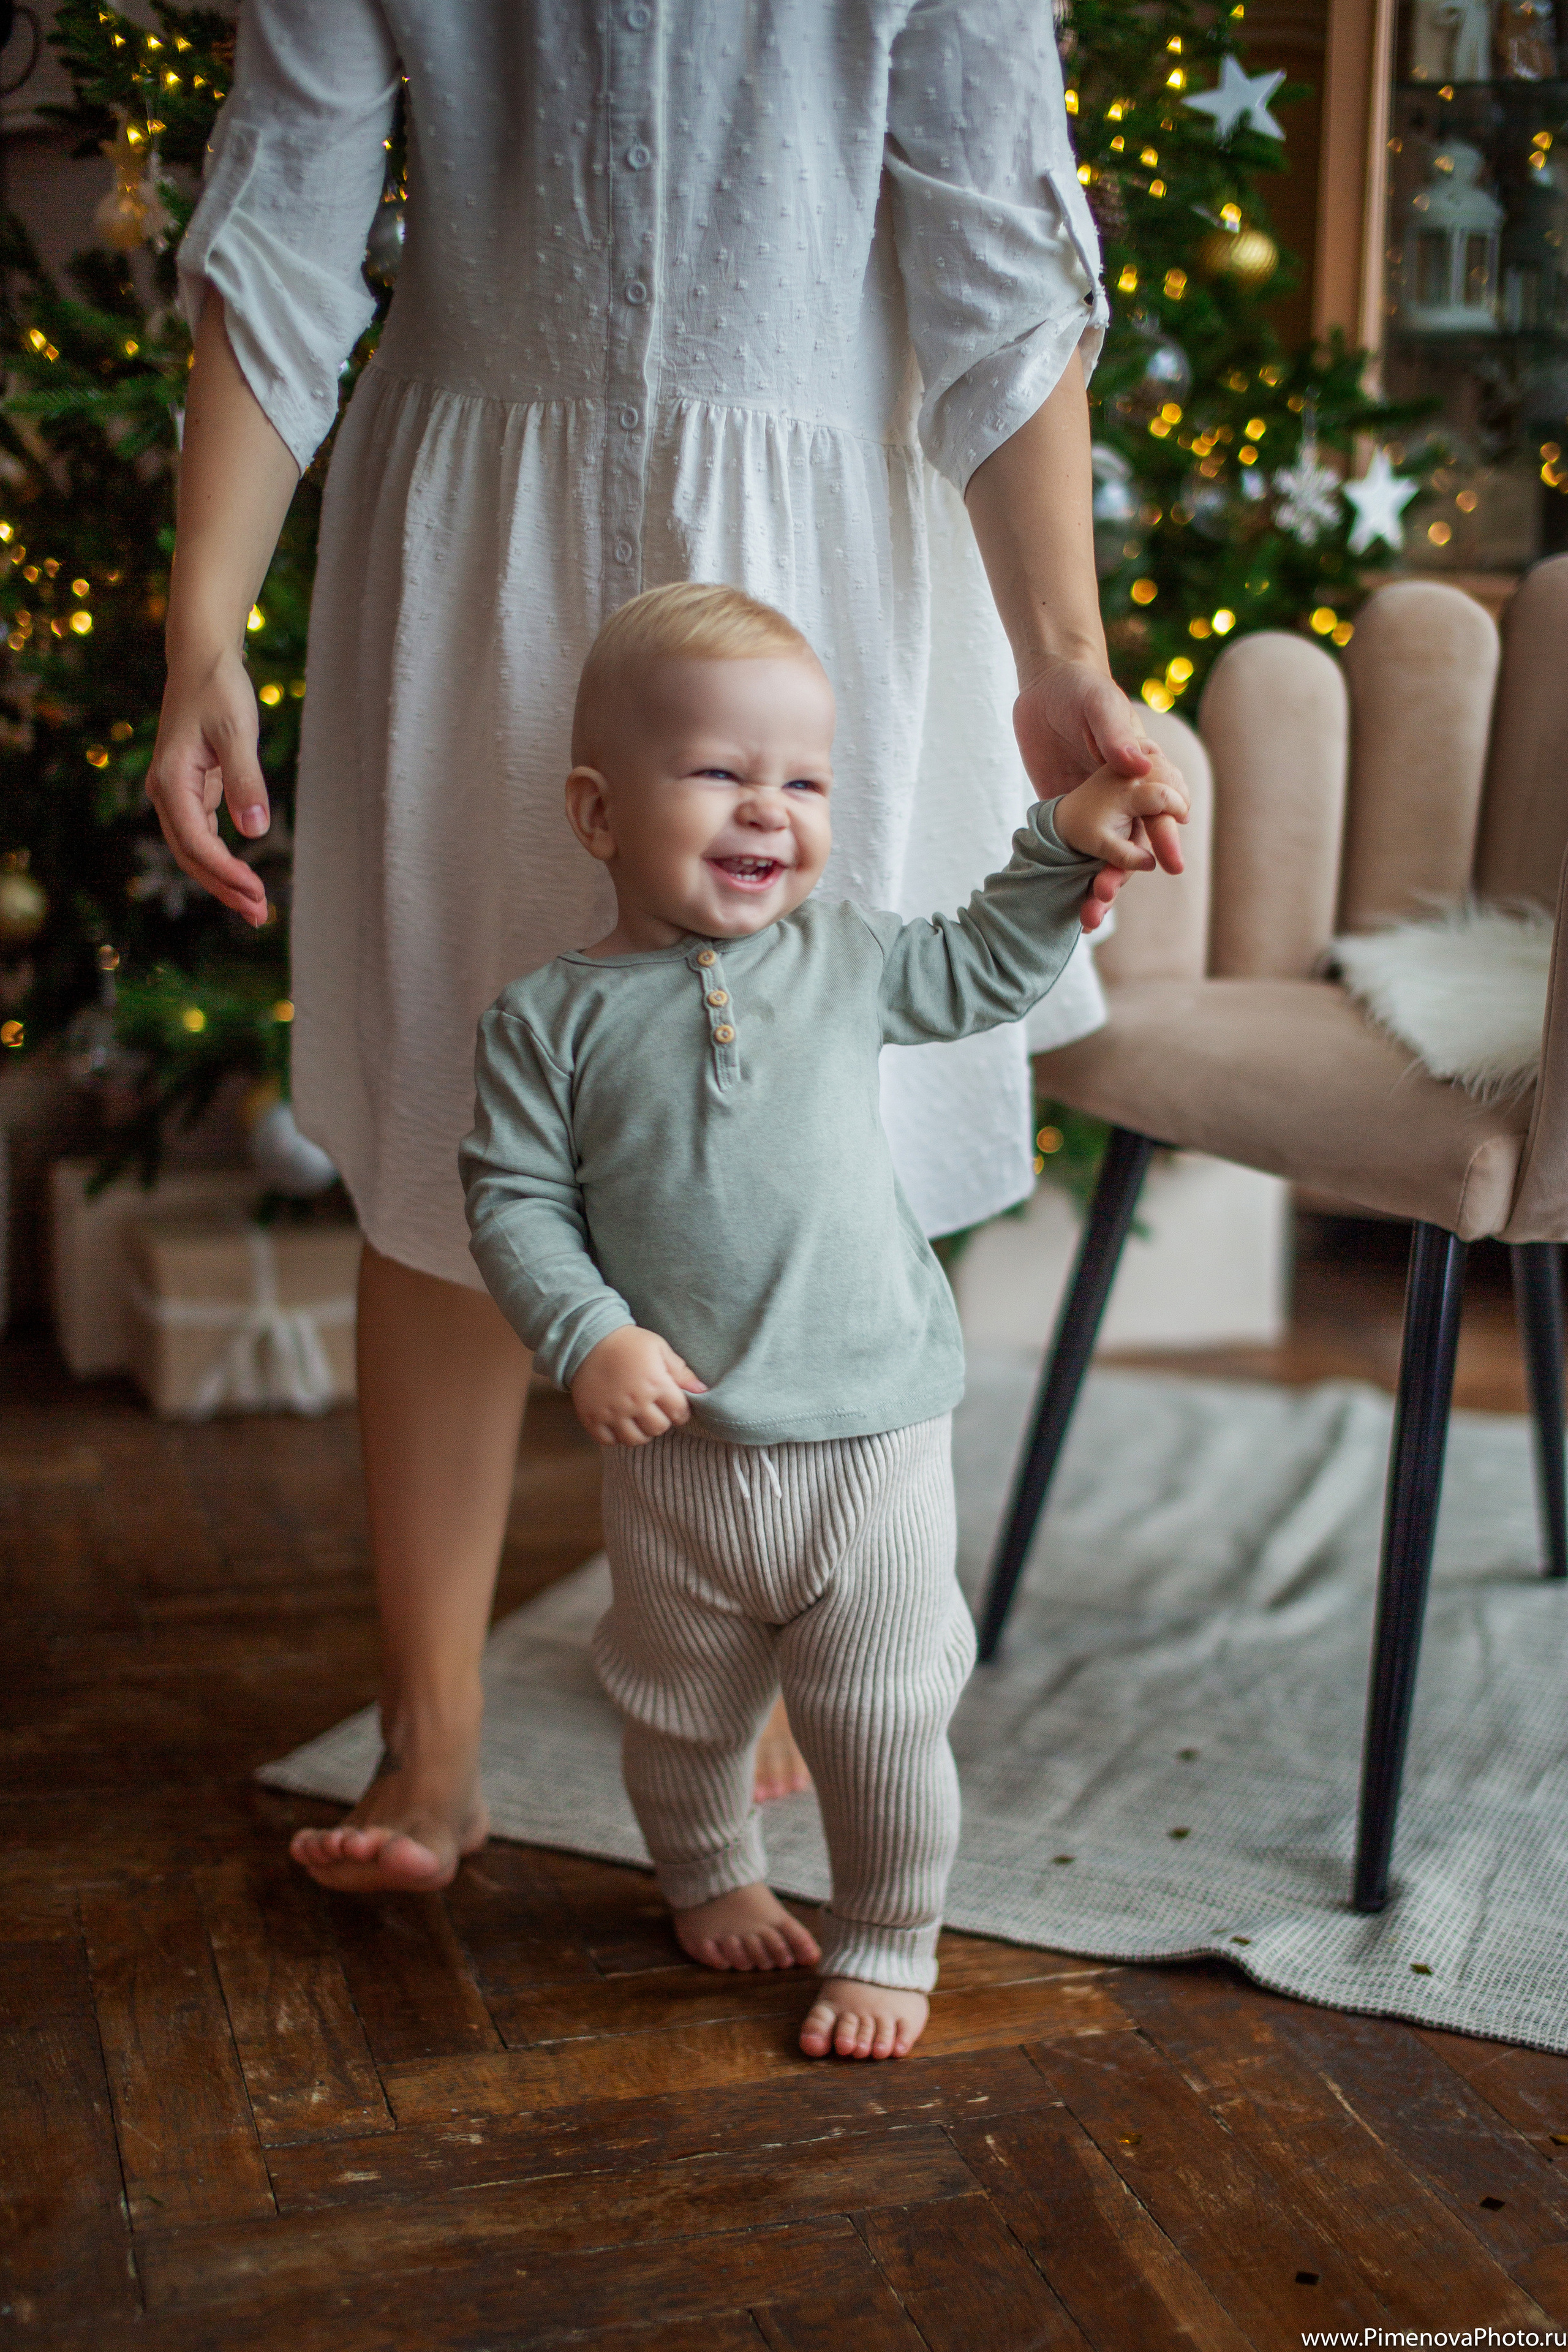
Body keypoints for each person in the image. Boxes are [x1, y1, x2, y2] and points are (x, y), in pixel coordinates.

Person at [148, 1, 1152, 1897]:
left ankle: (783, 1609)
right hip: (475, 532)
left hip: (822, 522)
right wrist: (205, 627)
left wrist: (1066, 654)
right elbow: (281, 227)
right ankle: (431, 1738)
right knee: (460, 1134)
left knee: (812, 1132)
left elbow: (1000, 263)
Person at [462, 581, 1188, 2059]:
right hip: (681, 1459)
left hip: (870, 1434)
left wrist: (1060, 846)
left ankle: (884, 1934)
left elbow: (987, 960)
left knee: (876, 1720)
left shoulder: (847, 958)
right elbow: (513, 1202)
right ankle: (710, 1875)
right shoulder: (547, 1018)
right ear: (598, 814)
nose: (767, 811)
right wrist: (586, 1332)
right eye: (720, 773)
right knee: (676, 1713)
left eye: (803, 781)